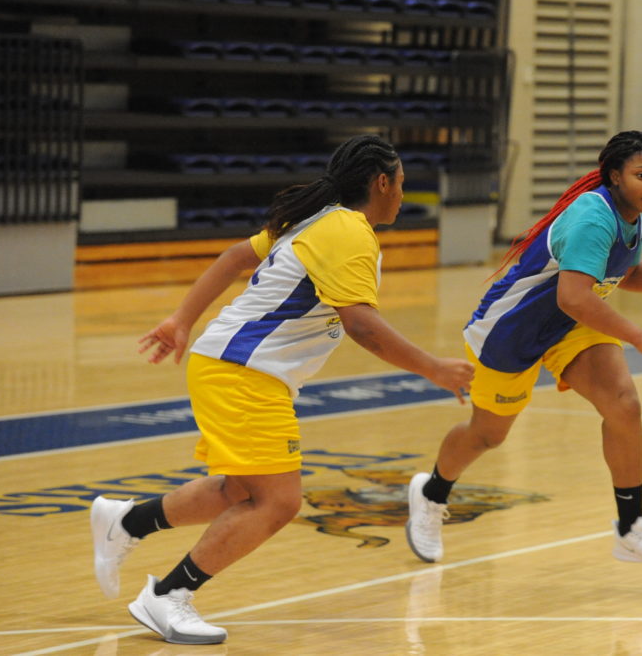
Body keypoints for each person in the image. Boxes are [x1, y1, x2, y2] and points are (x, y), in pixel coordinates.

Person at [89, 134, 474, 645]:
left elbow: (233, 257)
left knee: (240, 492)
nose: (403, 196)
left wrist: (182, 319)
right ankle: (168, 595)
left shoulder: (319, 219)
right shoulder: (347, 230)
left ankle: (127, 522)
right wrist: (432, 368)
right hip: (243, 370)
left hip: (232, 365)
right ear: (381, 182)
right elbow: (361, 326)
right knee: (278, 501)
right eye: (401, 184)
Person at [405, 131, 642, 571]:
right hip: (511, 329)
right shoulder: (594, 218)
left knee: (623, 404)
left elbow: (625, 272)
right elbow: (573, 296)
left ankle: (631, 528)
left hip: (570, 325)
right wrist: (641, 337)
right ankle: (431, 494)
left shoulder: (634, 214)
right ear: (615, 177)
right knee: (488, 435)